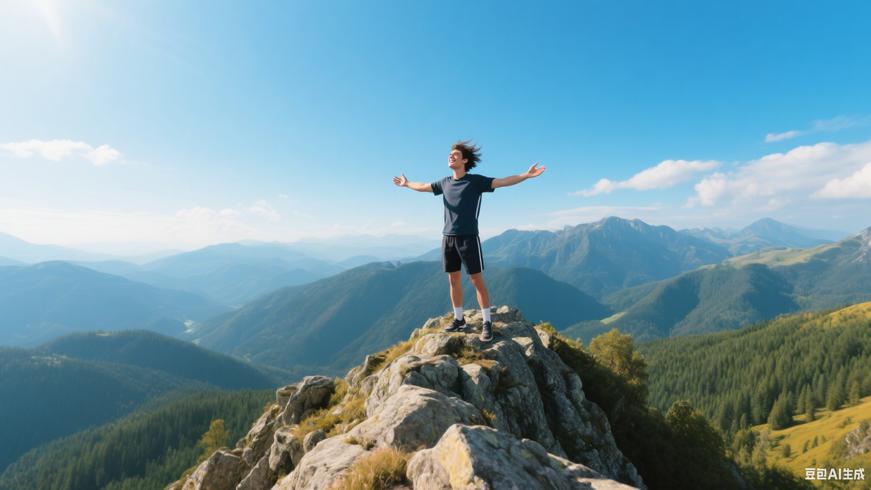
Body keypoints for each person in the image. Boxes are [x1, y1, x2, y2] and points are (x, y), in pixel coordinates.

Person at [392, 140, 545, 341]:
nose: (451, 156)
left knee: (476, 280)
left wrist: (526, 175)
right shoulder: (444, 183)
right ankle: (459, 319)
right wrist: (407, 184)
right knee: (453, 280)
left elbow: (503, 181)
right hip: (448, 238)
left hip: (468, 238)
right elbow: (422, 186)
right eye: (450, 154)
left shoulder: (475, 182)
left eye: (455, 154)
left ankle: (487, 322)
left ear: (464, 160)